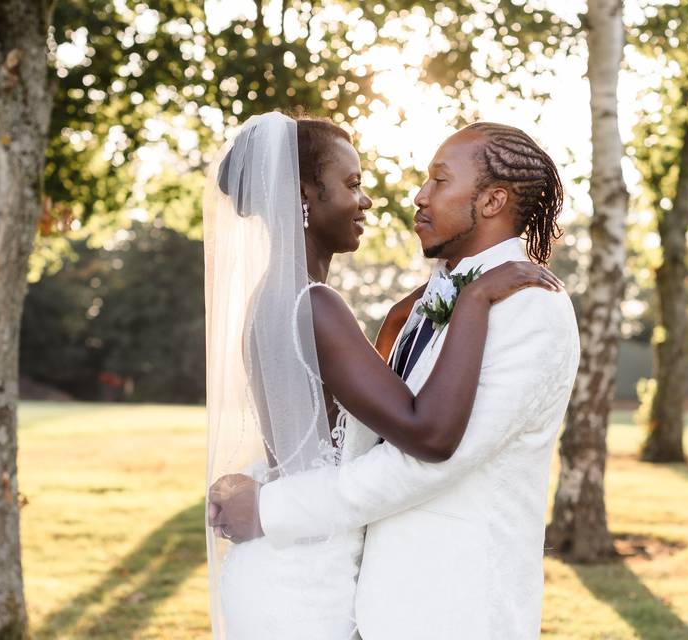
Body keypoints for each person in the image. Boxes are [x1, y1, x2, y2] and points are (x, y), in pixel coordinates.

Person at [209, 120, 581, 639]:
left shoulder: (528, 308)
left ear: (493, 201)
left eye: (439, 181)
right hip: (355, 596)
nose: (418, 195)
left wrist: (268, 505)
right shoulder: (429, 301)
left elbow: (424, 461)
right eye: (353, 184)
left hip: (454, 610)